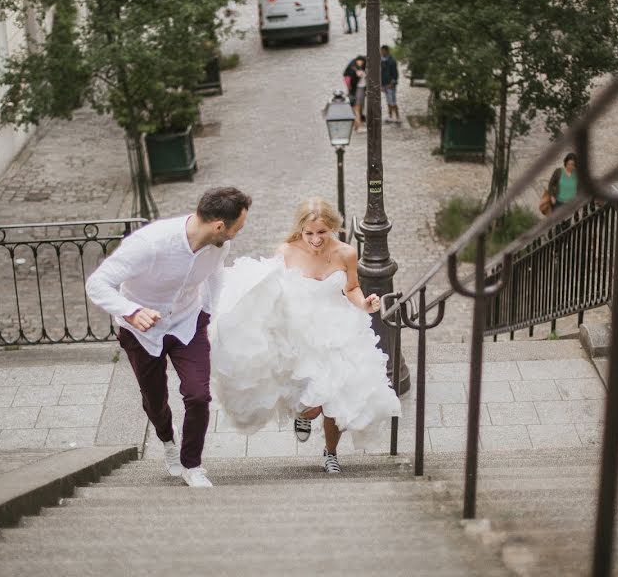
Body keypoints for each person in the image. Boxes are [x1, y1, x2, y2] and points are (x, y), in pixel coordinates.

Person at [210, 198, 401, 474]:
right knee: (312, 407)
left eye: (322, 232)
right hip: (299, 330)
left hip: (338, 329)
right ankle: (303, 414)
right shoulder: (286, 251)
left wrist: (364, 304)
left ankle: (331, 453)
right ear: (300, 229)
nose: (315, 239)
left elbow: (351, 288)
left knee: (335, 398)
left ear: (332, 227)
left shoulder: (346, 253)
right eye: (309, 233)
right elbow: (274, 290)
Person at [85, 187, 252, 488]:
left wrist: (211, 317)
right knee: (154, 400)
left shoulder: (218, 246)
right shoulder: (150, 244)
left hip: (188, 322)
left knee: (198, 395)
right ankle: (167, 439)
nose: (236, 234)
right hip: (141, 330)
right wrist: (131, 311)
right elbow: (97, 284)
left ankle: (192, 464)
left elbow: (215, 276)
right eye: (237, 228)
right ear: (218, 226)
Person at [380, 45, 400, 123]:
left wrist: (392, 83)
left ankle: (398, 117)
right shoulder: (382, 61)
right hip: (384, 84)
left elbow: (395, 74)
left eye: (383, 51)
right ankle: (390, 116)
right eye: (381, 51)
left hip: (391, 85)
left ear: (387, 51)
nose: (382, 52)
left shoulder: (392, 61)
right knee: (388, 101)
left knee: (393, 102)